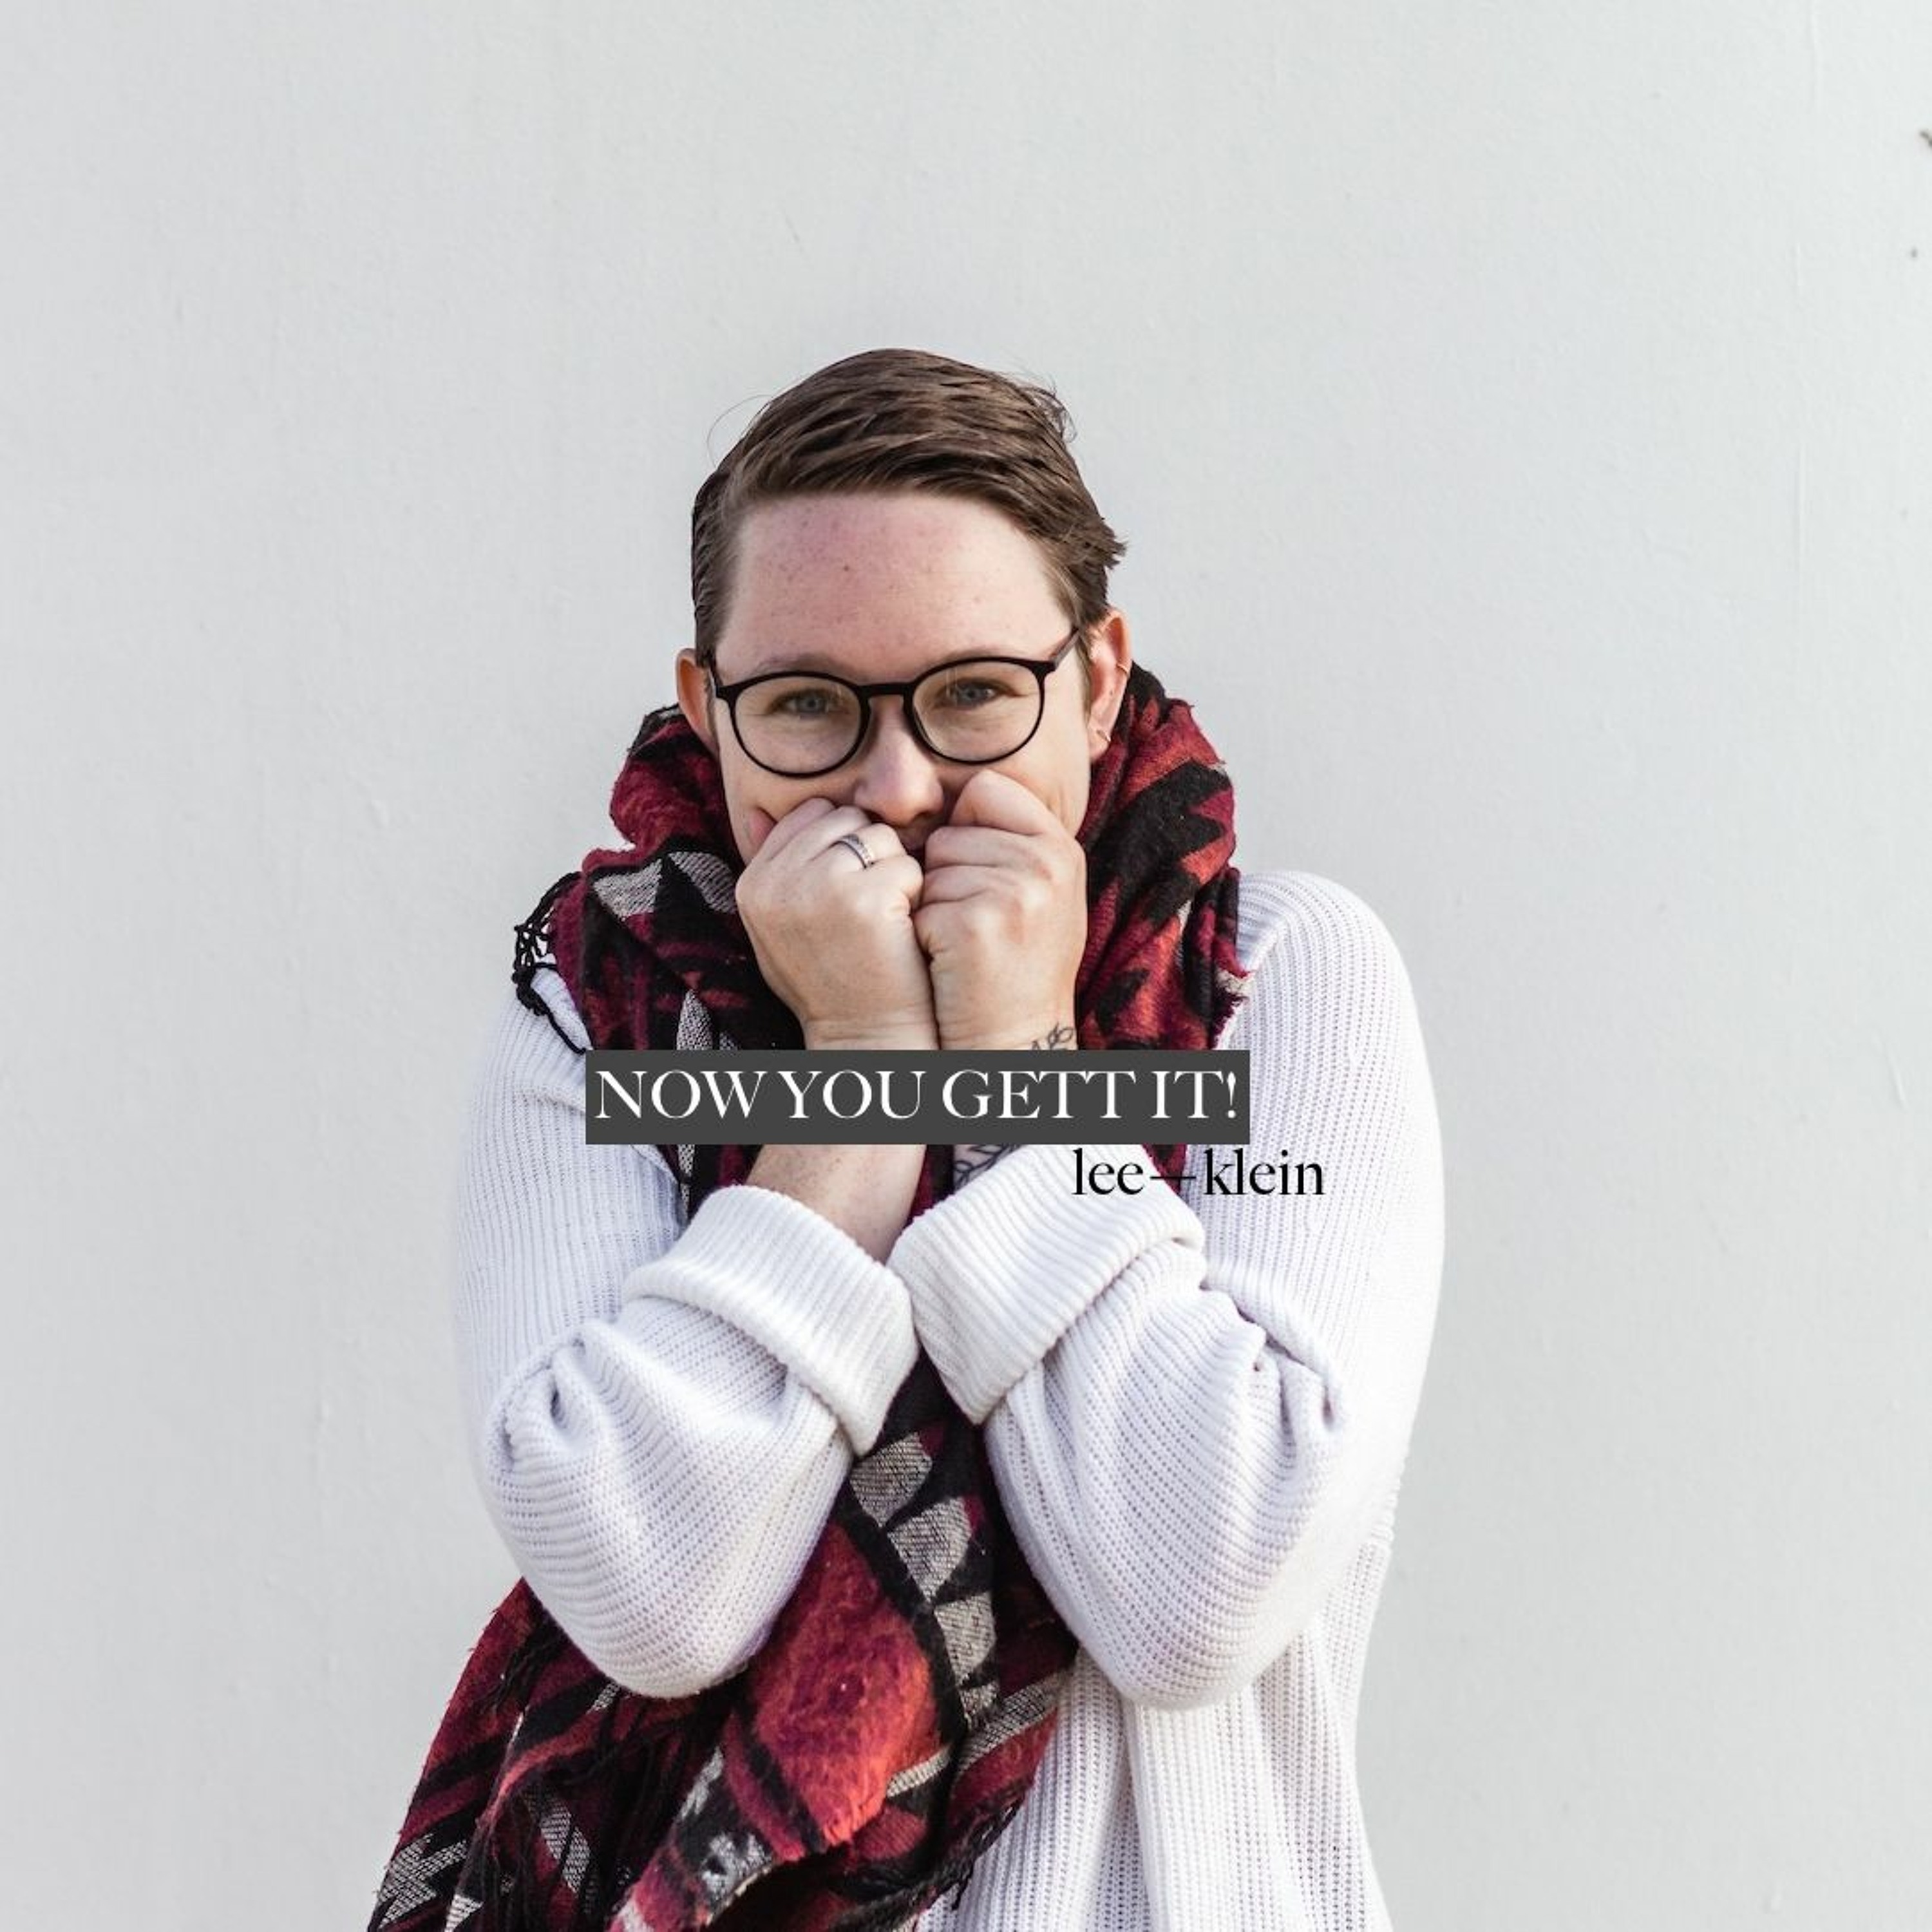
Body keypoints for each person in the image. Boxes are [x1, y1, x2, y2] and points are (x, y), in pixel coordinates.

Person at [370, 348, 1444, 1932]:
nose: (899, 786)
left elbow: (1198, 1589)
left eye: (975, 694)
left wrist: (1016, 1067)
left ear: (1095, 679)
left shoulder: (1276, 982)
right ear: (709, 712)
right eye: (809, 705)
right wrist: (865, 1065)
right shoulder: (593, 1019)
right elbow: (650, 1594)